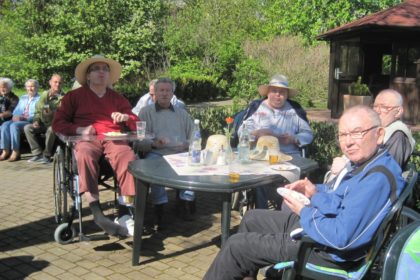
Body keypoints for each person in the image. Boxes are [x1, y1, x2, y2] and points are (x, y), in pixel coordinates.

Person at [204, 105, 405, 280]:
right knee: (252, 218)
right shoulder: (369, 164)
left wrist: (304, 211)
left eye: (357, 132)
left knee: (236, 246)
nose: (348, 142)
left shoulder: (377, 178)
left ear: (379, 134)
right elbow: (339, 204)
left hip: (327, 252)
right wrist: (314, 192)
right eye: (343, 135)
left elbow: (342, 238)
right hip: (324, 231)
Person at [52, 55, 139, 237]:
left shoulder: (117, 98)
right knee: (84, 153)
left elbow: (135, 121)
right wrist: (79, 129)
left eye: (105, 69)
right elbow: (58, 123)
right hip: (86, 139)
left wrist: (126, 118)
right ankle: (97, 213)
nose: (101, 72)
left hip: (112, 138)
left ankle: (124, 212)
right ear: (88, 76)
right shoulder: (73, 97)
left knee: (128, 156)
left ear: (109, 76)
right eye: (96, 69)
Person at [238, 74, 314, 208]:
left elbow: (308, 134)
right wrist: (255, 133)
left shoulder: (294, 110)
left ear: (287, 95)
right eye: (274, 91)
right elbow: (242, 132)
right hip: (260, 157)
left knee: (290, 178)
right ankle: (262, 213)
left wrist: (294, 138)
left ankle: (286, 211)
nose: (278, 95)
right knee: (258, 180)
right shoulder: (257, 107)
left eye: (282, 92)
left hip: (288, 158)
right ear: (268, 92)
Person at [327, 89, 416, 187]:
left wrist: (346, 168)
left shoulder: (398, 135)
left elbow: (384, 175)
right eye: (375, 106)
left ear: (398, 112)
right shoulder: (378, 129)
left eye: (384, 107)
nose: (377, 111)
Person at [138, 77, 194, 227]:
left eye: (168, 90)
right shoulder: (145, 113)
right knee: (154, 167)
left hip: (179, 152)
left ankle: (185, 203)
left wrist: (188, 145)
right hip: (157, 152)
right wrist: (154, 144)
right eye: (161, 90)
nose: (164, 93)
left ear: (172, 93)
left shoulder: (182, 113)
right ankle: (159, 208)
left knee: (193, 165)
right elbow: (139, 141)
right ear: (154, 93)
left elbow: (194, 135)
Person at [24, 74, 64, 163]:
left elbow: (64, 114)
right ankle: (37, 153)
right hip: (43, 123)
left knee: (51, 129)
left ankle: (47, 155)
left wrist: (52, 113)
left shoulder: (64, 97)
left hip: (56, 125)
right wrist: (36, 121)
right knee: (28, 128)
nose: (57, 84)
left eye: (60, 83)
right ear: (50, 82)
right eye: (55, 82)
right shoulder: (44, 95)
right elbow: (38, 111)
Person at [0, 79, 40, 162]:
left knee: (14, 126)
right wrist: (15, 116)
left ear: (37, 88)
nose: (30, 89)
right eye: (28, 87)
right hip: (18, 119)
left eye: (32, 86)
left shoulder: (39, 99)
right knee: (4, 125)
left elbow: (37, 114)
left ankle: (15, 151)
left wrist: (24, 118)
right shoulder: (23, 97)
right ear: (26, 88)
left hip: (29, 120)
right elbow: (16, 110)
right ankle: (5, 150)